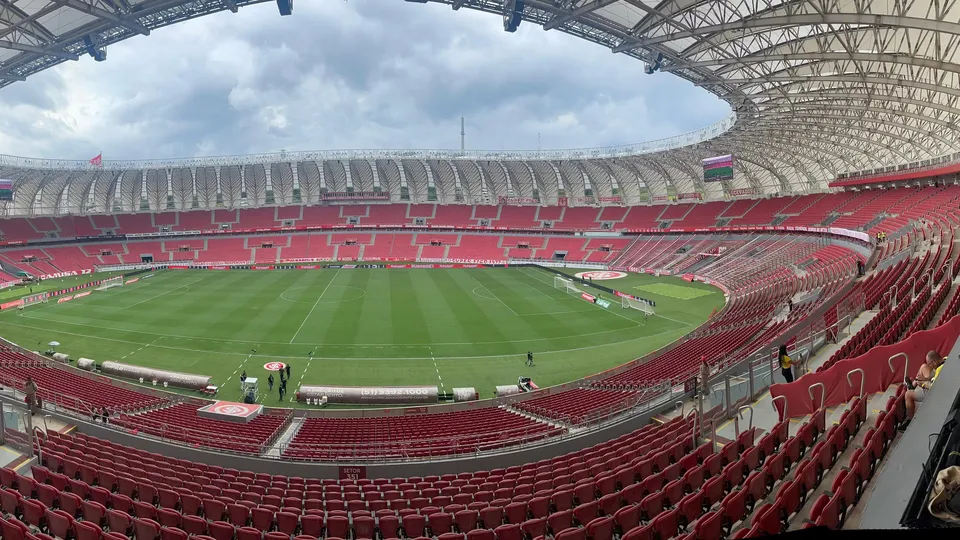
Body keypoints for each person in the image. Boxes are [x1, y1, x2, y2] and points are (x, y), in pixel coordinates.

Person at [902, 351, 947, 430]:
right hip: (935, 379)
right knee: (923, 366)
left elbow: (934, 387)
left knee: (908, 394)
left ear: (934, 362)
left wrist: (923, 384)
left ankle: (909, 421)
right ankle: (913, 384)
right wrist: (926, 379)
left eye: (929, 363)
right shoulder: (946, 359)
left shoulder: (939, 370)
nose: (930, 366)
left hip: (934, 391)